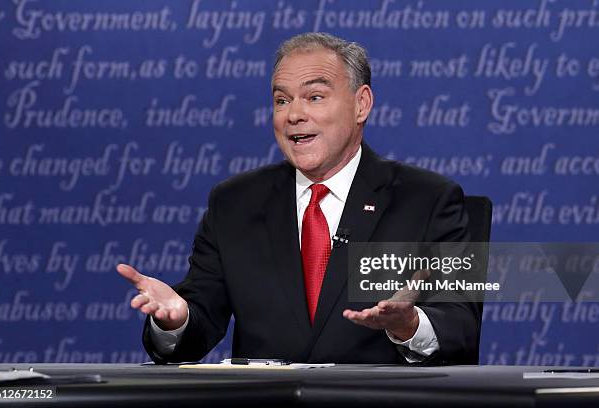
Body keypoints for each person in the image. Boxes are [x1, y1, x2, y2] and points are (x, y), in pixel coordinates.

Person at [117, 32, 480, 365]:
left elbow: (460, 326)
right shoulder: (234, 204)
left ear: (361, 105)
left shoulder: (427, 200)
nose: (294, 115)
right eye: (281, 99)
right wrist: (176, 321)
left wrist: (410, 324)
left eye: (315, 97)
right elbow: (197, 326)